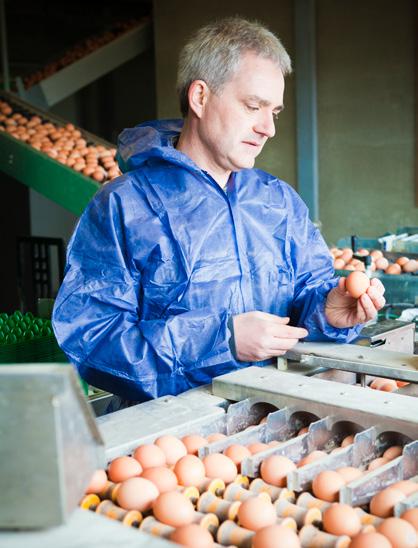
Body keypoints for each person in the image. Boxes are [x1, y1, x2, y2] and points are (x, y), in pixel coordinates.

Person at [52, 17, 385, 402]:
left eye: (273, 112)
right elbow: (94, 341)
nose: (268, 128)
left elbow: (303, 302)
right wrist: (221, 340)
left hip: (271, 417)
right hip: (169, 436)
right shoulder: (124, 207)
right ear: (200, 98)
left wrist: (328, 311)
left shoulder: (277, 202)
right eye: (252, 106)